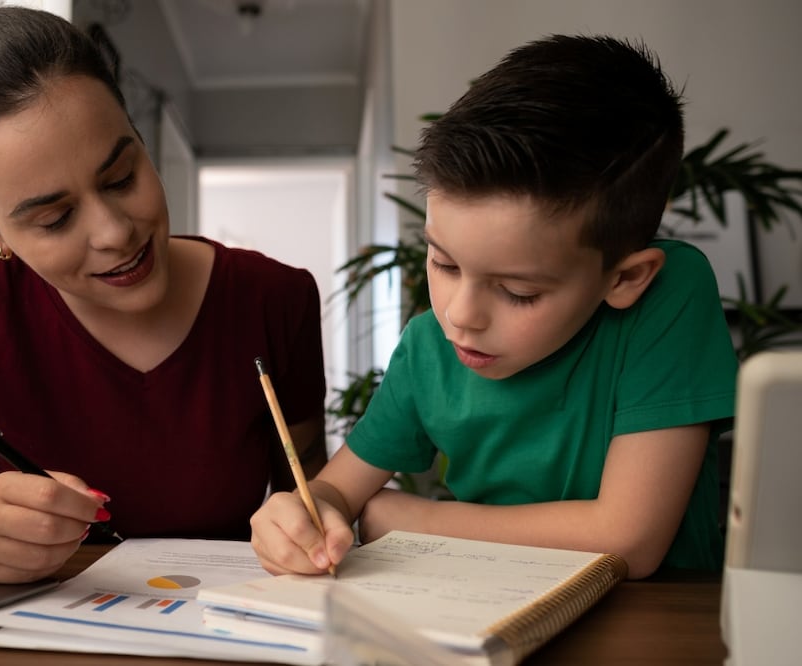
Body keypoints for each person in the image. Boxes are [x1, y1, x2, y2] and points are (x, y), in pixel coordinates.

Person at [0, 0, 327, 584]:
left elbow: (313, 494)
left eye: (122, 177)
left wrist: (308, 522)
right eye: (54, 218)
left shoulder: (275, 299)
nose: (115, 232)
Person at [250, 34, 738, 581]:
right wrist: (301, 513)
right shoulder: (428, 347)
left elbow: (629, 540)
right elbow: (337, 489)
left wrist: (404, 518)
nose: (461, 314)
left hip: (656, 629)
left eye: (519, 292)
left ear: (624, 278)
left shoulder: (667, 295)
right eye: (443, 263)